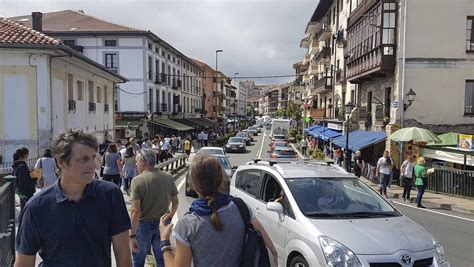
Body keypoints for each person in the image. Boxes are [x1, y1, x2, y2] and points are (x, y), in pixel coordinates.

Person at [14, 129, 131, 267]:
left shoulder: (110, 195)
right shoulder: (36, 208)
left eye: (94, 157)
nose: (93, 165)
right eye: (84, 159)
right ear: (61, 162)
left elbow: (123, 251)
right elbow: (24, 262)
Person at [158, 154, 277, 267]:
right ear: (221, 178)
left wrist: (165, 243)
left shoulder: (187, 224)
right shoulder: (242, 208)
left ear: (192, 184)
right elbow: (273, 251)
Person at [129, 149, 179, 267]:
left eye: (137, 161)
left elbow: (135, 210)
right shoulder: (168, 177)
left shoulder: (137, 180)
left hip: (142, 225)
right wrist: (170, 215)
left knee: (138, 260)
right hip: (162, 223)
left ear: (143, 161)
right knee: (162, 258)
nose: (136, 164)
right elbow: (175, 201)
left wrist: (132, 234)